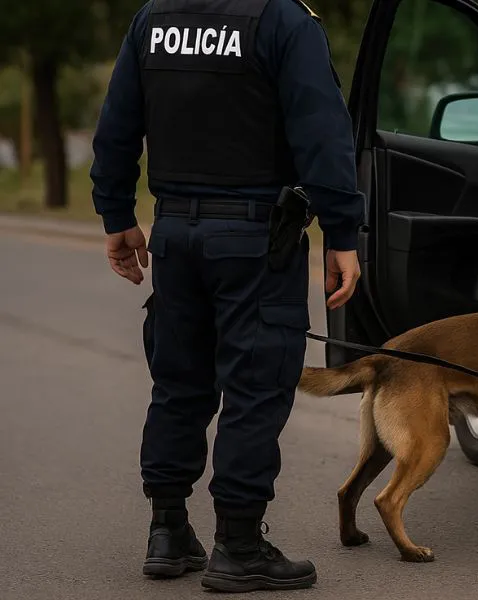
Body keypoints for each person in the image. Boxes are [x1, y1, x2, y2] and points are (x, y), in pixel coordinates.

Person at [89, 0, 364, 592]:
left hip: (175, 235)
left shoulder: (154, 19)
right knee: (255, 388)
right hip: (254, 238)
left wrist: (116, 212)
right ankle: (238, 544)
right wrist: (343, 232)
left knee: (179, 383)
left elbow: (116, 125)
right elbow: (321, 131)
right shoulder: (283, 21)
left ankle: (167, 532)